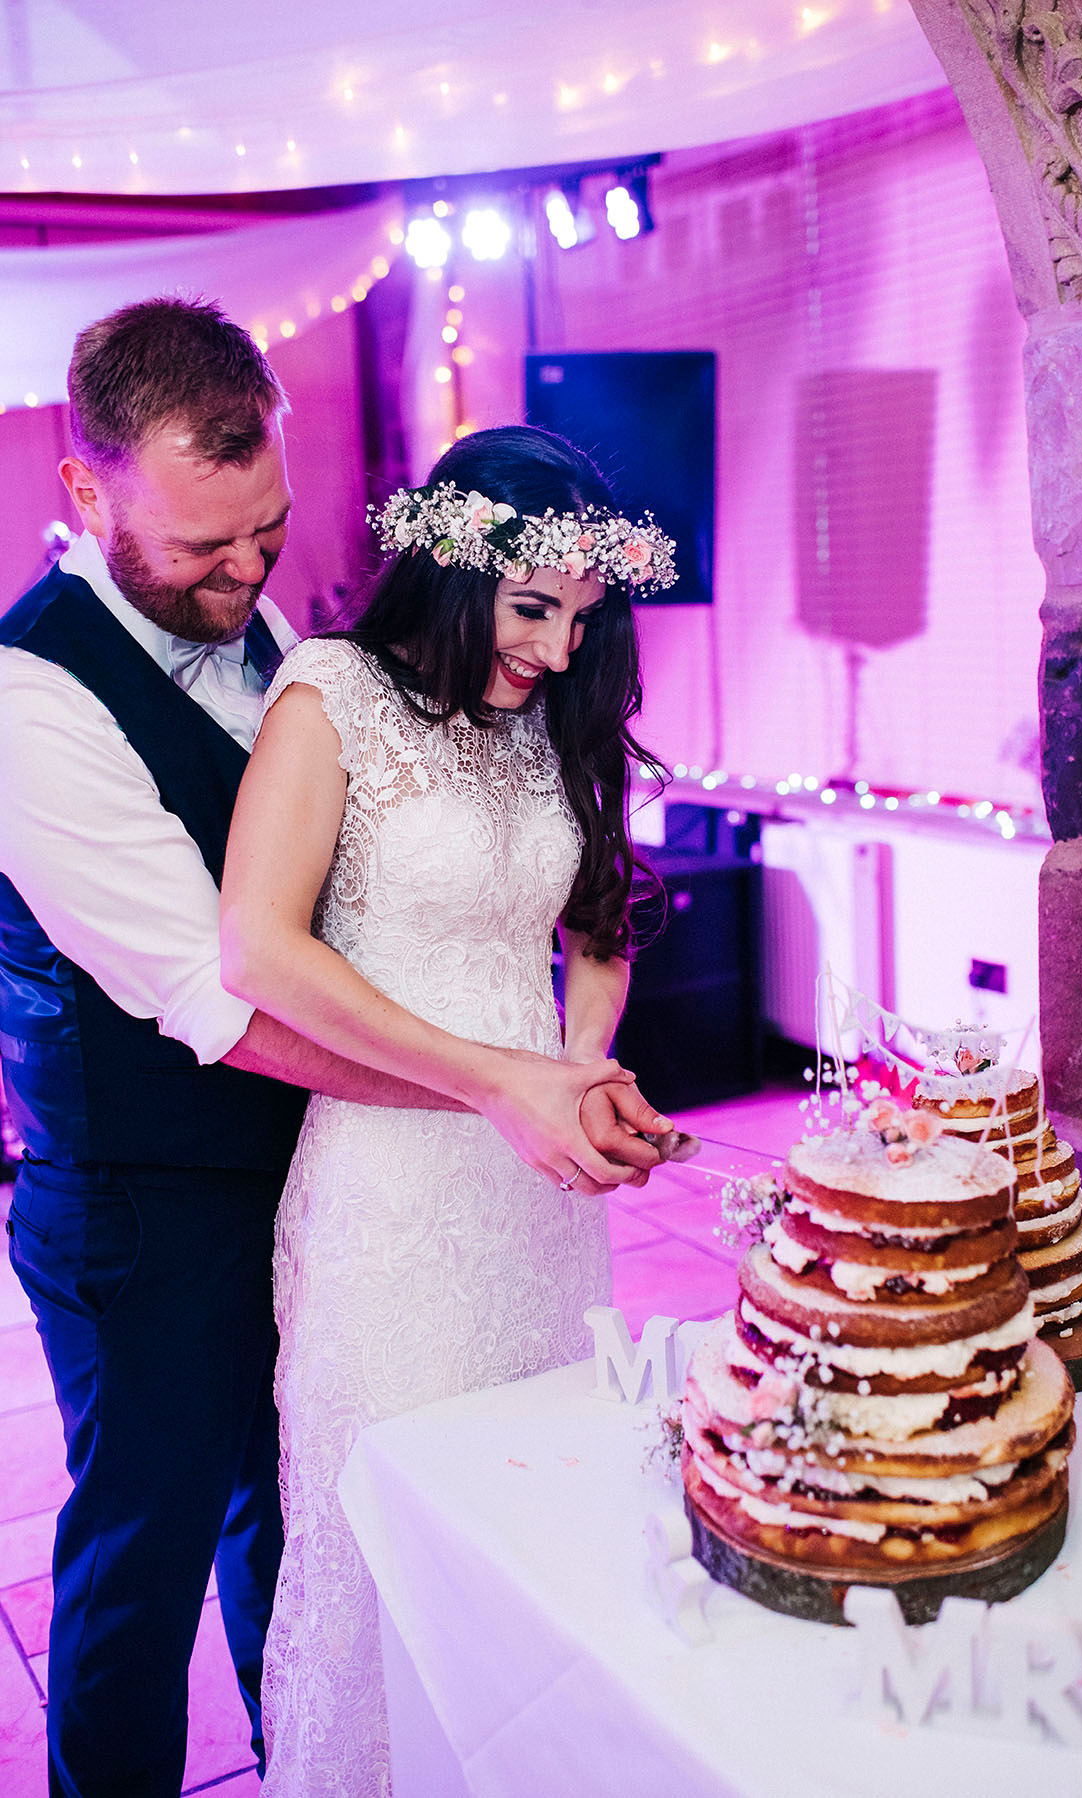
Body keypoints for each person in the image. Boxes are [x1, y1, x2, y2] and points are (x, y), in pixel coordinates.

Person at [0, 304, 666, 1798]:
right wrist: (499, 1083)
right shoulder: (26, 699)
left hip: (317, 1171)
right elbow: (225, 994)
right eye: (200, 549)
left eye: (268, 531)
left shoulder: (289, 645)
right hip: (141, 1200)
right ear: (86, 493)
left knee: (296, 1525)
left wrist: (545, 1060)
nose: (246, 573)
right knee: (139, 1558)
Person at [219, 425, 677, 1793]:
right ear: (450, 564)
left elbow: (602, 919)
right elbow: (258, 948)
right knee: (394, 1557)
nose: (551, 647)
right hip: (395, 1194)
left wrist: (583, 1069)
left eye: (581, 620)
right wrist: (499, 1082)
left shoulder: (549, 714)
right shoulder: (332, 695)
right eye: (532, 607)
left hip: (534, 1193)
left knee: (538, 1537)